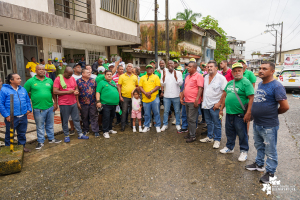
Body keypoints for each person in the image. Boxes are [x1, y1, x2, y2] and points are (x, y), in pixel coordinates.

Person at [245, 61, 289, 183]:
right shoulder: (261, 84)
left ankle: (270, 172)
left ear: (272, 71)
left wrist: (273, 113)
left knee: (270, 149)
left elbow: (285, 106)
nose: (260, 70)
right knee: (259, 145)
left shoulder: (277, 86)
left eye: (264, 68)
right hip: (258, 123)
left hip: (269, 125)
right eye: (260, 68)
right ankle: (259, 164)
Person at [219, 62, 254, 161]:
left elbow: (251, 98)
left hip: (240, 113)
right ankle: (229, 147)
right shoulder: (230, 83)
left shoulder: (246, 82)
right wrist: (221, 109)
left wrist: (248, 113)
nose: (237, 72)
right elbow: (225, 96)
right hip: (229, 113)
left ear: (242, 71)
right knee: (229, 131)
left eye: (239, 70)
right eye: (235, 71)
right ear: (232, 72)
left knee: (242, 133)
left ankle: (244, 151)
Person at [24, 65, 61, 150]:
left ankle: (51, 139)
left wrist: (55, 103)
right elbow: (24, 94)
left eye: (43, 69)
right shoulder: (30, 81)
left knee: (50, 124)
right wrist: (28, 105)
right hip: (38, 108)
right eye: (39, 69)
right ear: (36, 71)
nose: (41, 71)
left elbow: (53, 93)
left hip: (50, 107)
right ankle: (41, 141)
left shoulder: (49, 80)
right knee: (40, 126)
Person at [53, 67, 89, 143]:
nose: (70, 76)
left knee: (76, 119)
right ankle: (66, 135)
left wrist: (76, 92)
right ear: (65, 72)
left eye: (71, 75)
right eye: (68, 75)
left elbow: (76, 88)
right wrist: (67, 92)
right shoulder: (58, 79)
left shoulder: (72, 78)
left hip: (73, 102)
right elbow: (55, 91)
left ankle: (80, 134)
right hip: (64, 103)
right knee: (65, 120)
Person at [0, 73, 32, 152]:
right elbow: (0, 103)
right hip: (11, 117)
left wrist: (29, 109)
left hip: (23, 116)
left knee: (22, 133)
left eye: (20, 78)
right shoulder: (4, 90)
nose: (20, 80)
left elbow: (28, 100)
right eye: (18, 78)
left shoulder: (22, 89)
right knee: (9, 134)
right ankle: (8, 148)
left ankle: (22, 147)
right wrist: (6, 115)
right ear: (11, 80)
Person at [200, 60, 227, 149]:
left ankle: (217, 140)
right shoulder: (205, 77)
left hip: (215, 105)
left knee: (217, 123)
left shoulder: (221, 78)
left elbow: (225, 91)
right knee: (208, 122)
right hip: (206, 104)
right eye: (208, 66)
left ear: (216, 68)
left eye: (211, 66)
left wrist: (219, 103)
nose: (209, 68)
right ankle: (210, 137)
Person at [180, 61, 204, 143]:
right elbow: (185, 88)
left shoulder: (198, 76)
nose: (187, 68)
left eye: (190, 66)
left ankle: (193, 136)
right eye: (187, 66)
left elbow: (200, 88)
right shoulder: (187, 76)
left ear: (195, 68)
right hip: (186, 100)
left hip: (193, 101)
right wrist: (182, 97)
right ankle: (190, 133)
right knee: (188, 118)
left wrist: (197, 99)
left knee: (192, 119)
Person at [160, 60, 183, 132]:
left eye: (171, 63)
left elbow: (180, 84)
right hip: (167, 96)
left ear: (174, 65)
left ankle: (178, 124)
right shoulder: (164, 72)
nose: (170, 65)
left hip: (176, 95)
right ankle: (165, 125)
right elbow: (162, 83)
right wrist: (163, 76)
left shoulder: (178, 73)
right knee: (166, 111)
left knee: (177, 111)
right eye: (169, 64)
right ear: (167, 65)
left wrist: (176, 76)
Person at [96, 70, 119, 139]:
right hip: (105, 104)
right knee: (106, 118)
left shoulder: (113, 82)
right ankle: (105, 131)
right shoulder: (101, 83)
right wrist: (98, 101)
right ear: (105, 75)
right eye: (108, 74)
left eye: (110, 74)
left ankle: (109, 129)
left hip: (114, 104)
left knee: (111, 117)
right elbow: (98, 92)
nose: (109, 75)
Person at [76, 69, 99, 137]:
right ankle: (86, 130)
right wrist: (77, 102)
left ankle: (95, 131)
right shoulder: (78, 81)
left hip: (93, 102)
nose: (89, 73)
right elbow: (76, 93)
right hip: (83, 103)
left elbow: (96, 91)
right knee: (84, 117)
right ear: (83, 74)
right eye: (87, 72)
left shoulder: (93, 80)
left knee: (94, 117)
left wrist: (98, 101)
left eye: (90, 72)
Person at [139, 64, 161, 133]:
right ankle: (146, 126)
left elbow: (158, 86)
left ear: (153, 70)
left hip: (154, 97)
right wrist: (146, 93)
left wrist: (150, 92)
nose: (149, 69)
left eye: (150, 68)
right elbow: (140, 87)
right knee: (146, 113)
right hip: (145, 98)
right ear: (146, 70)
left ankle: (157, 125)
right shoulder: (142, 77)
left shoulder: (156, 77)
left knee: (156, 112)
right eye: (147, 68)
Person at [118, 63, 138, 131]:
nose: (130, 68)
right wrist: (120, 96)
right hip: (124, 97)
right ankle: (123, 125)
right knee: (124, 111)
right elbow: (119, 86)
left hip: (133, 97)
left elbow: (137, 86)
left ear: (133, 69)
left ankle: (133, 125)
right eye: (128, 66)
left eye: (131, 67)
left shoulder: (135, 77)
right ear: (126, 68)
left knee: (133, 111)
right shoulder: (122, 76)